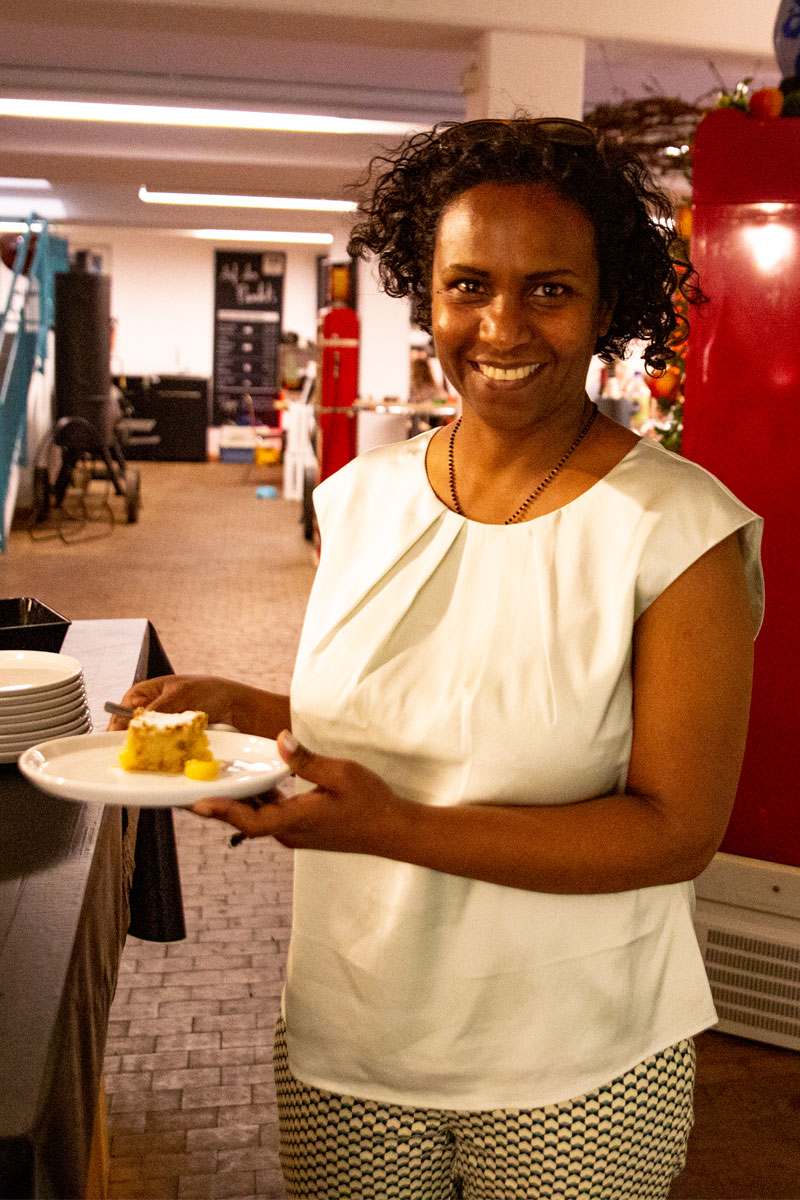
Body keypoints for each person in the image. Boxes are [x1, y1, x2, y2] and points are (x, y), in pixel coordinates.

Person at [116, 117, 764, 1199]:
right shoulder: (360, 499)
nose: (501, 325)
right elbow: (422, 712)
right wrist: (251, 709)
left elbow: (675, 832)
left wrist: (391, 827)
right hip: (351, 1027)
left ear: (607, 304)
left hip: (572, 1057)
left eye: (549, 289)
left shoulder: (676, 530)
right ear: (427, 297)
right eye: (468, 285)